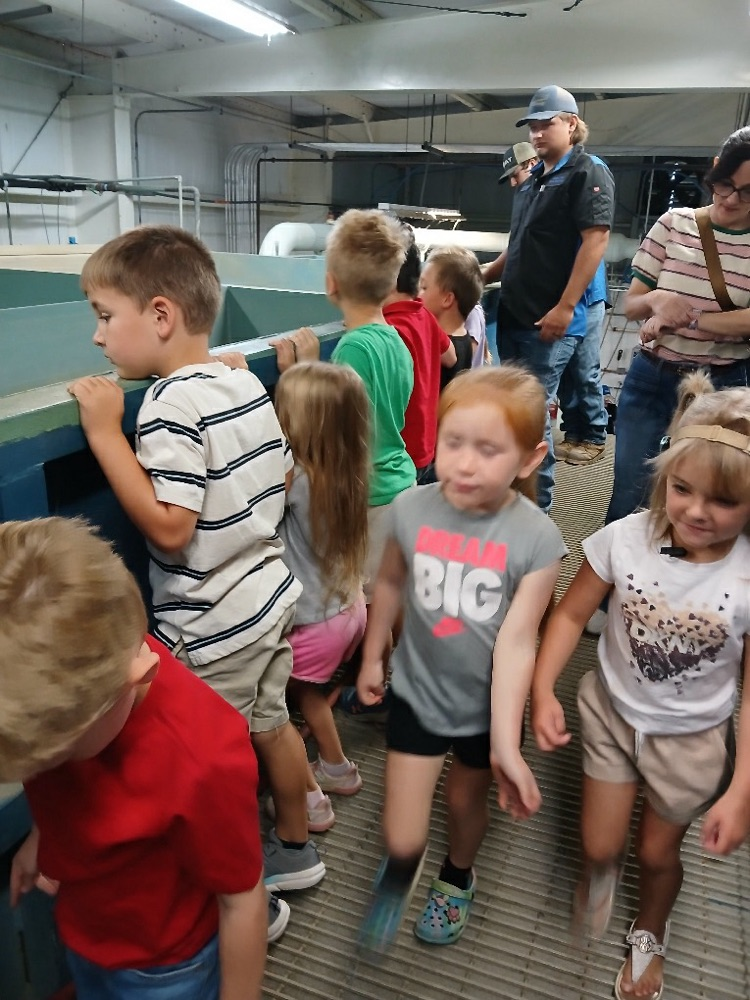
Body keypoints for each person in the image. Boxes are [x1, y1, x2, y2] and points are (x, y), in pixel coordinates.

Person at [67, 225, 324, 906]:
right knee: (271, 725)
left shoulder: (169, 403)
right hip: (267, 600)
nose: (98, 338)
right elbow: (281, 477)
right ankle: (295, 849)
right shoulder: (237, 382)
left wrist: (102, 434)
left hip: (214, 626)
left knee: (215, 763)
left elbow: (171, 527)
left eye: (104, 316)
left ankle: (249, 895)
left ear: (160, 316)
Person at [531, 384, 750, 1000]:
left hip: (692, 739)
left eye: (725, 500)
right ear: (665, 475)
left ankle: (651, 925)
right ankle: (602, 876)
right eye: (683, 489)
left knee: (656, 856)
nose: (698, 511)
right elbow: (571, 615)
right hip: (611, 715)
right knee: (600, 848)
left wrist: (742, 787)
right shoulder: (625, 537)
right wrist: (543, 689)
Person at [4, 517, 269, 999]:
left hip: (165, 968)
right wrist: (41, 839)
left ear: (135, 677)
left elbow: (243, 900)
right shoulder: (68, 695)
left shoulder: (202, 758)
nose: (42, 769)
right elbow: (63, 779)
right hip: (87, 932)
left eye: (54, 754)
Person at [355, 366, 567, 951]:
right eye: (453, 442)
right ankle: (403, 867)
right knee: (401, 834)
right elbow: (391, 582)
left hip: (484, 709)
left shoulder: (537, 540)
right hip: (417, 694)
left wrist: (504, 741)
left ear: (530, 458)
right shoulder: (410, 509)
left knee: (464, 798)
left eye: (488, 449)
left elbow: (518, 641)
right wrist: (374, 655)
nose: (465, 463)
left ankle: (456, 876)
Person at [605, 126, 750, 527]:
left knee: (708, 497)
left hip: (724, 387)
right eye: (724, 185)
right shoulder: (674, 224)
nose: (731, 199)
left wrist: (693, 319)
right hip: (653, 376)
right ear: (715, 170)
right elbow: (632, 304)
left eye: (748, 192)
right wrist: (656, 300)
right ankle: (610, 587)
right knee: (629, 495)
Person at [482, 84, 615, 510]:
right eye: (533, 126)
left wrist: (566, 306)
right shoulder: (532, 179)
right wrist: (481, 274)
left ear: (572, 124)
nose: (538, 133)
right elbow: (518, 244)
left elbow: (596, 240)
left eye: (548, 124)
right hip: (517, 315)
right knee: (517, 412)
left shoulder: (586, 172)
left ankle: (537, 507)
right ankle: (516, 494)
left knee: (532, 415)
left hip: (550, 321)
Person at [273, 208, 416, 603]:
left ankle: (370, 662)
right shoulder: (395, 340)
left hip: (367, 494)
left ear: (330, 284)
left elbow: (331, 425)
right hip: (399, 481)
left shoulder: (353, 347)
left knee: (365, 599)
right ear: (390, 287)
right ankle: (386, 655)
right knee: (390, 591)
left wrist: (301, 373)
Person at [273, 361, 370, 829]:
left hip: (313, 621)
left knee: (275, 709)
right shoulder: (349, 469)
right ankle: (337, 767)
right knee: (311, 694)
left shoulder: (297, 479)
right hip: (349, 608)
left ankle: (318, 790)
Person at [383, 225, 457, 481]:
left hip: (403, 456)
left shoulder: (389, 330)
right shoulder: (423, 314)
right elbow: (450, 357)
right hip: (428, 447)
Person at [418, 245, 484, 389]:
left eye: (424, 287)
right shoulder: (464, 338)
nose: (418, 294)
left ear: (447, 299)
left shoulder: (442, 348)